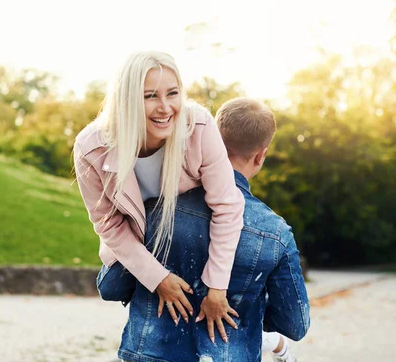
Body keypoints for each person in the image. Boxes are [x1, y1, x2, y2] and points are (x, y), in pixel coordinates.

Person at [117, 98, 310, 362]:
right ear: (261, 155)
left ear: (212, 138)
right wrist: (248, 307)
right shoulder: (276, 233)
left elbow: (111, 286)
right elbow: (295, 324)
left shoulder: (156, 207)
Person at [73, 51, 244, 334]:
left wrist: (217, 286)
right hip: (140, 243)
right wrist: (158, 278)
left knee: (216, 295)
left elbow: (227, 206)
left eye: (172, 93)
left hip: (192, 234)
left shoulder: (198, 126)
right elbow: (107, 223)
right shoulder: (90, 147)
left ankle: (263, 336)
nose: (165, 107)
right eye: (150, 96)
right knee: (113, 286)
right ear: (126, 100)